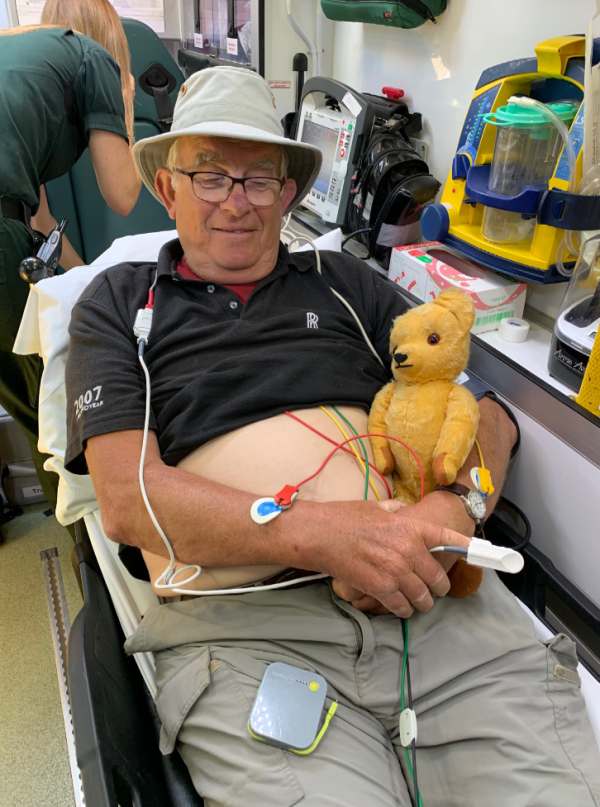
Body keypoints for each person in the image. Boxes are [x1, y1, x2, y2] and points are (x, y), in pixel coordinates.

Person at [64, 67, 600, 806]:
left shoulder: (349, 283)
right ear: (168, 189)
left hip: (429, 602)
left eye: (259, 180)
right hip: (251, 632)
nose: (236, 202)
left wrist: (454, 511)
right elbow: (126, 498)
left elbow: (491, 422)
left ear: (288, 194)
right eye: (210, 176)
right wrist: (325, 536)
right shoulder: (120, 304)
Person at [0, 0, 141, 512]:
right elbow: (123, 193)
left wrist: (95, 287)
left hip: (5, 223)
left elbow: (34, 219)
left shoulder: (20, 57)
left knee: (24, 394)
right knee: (48, 405)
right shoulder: (92, 60)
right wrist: (125, 101)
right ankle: (88, 532)